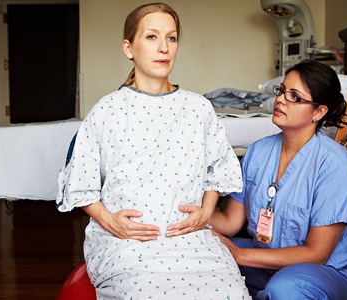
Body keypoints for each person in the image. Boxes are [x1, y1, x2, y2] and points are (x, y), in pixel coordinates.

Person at [56, 3, 251, 299]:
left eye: (171, 38)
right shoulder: (108, 110)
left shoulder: (199, 108)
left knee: (232, 294)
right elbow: (80, 186)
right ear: (128, 47)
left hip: (191, 239)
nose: (164, 48)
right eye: (151, 37)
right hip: (126, 243)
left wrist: (206, 212)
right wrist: (111, 223)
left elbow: (220, 171)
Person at [210, 60, 347, 300]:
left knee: (283, 288)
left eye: (295, 96)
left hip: (324, 272)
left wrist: (240, 255)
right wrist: (188, 212)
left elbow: (317, 253)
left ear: (319, 111)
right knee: (205, 253)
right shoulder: (257, 152)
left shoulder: (334, 164)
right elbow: (231, 222)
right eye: (281, 91)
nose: (281, 99)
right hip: (268, 260)